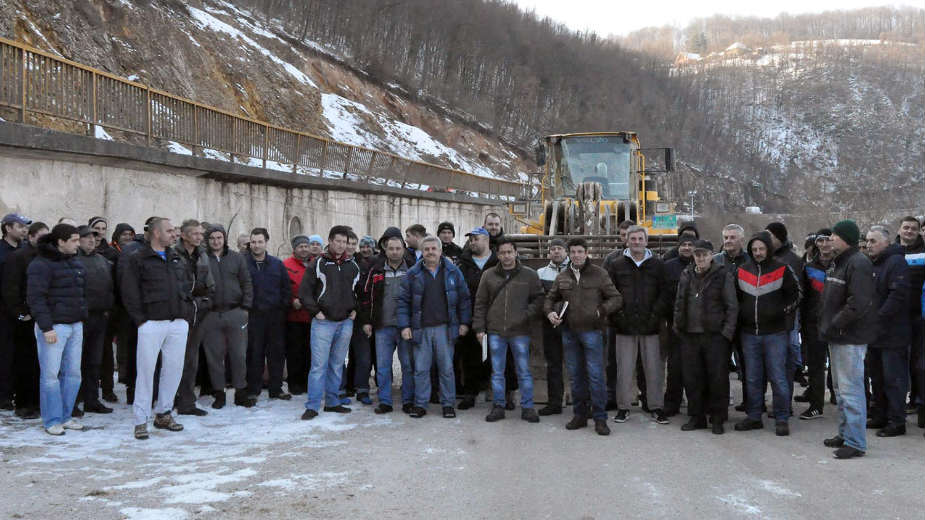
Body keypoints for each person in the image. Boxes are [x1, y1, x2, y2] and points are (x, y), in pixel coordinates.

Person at [121, 217, 191, 440]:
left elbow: (186, 285)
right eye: (169, 231)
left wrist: (186, 313)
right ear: (156, 233)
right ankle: (140, 420)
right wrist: (141, 319)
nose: (174, 234)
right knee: (145, 371)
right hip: (151, 322)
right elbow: (129, 291)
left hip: (177, 321)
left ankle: (164, 413)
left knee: (174, 369)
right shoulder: (138, 258)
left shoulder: (176, 257)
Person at [545, 238, 621, 435]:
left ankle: (600, 419)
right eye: (573, 252)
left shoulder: (599, 274)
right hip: (569, 333)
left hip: (593, 332)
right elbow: (550, 299)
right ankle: (580, 415)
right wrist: (550, 313)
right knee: (575, 376)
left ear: (587, 253)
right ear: (568, 254)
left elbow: (616, 298)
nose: (576, 255)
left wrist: (601, 311)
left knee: (596, 376)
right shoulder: (562, 276)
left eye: (580, 251)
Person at [734, 231, 801, 436]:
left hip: (775, 333)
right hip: (749, 333)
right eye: (754, 249)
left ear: (768, 249)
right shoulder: (742, 270)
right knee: (752, 378)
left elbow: (797, 294)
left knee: (778, 377)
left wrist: (782, 311)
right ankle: (754, 416)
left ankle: (781, 417)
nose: (758, 253)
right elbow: (735, 298)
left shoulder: (782, 269)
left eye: (761, 249)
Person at [397, 235, 471, 419]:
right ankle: (420, 404)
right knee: (421, 369)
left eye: (433, 249)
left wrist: (464, 323)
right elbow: (403, 302)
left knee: (446, 369)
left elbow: (464, 299)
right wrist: (404, 326)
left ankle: (448, 404)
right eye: (426, 249)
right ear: (421, 252)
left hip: (445, 329)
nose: (430, 252)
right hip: (421, 328)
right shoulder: (413, 274)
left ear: (440, 251)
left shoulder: (453, 272)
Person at [472, 237, 544, 423]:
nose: (506, 256)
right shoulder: (488, 275)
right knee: (497, 372)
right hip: (495, 331)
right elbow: (480, 303)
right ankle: (498, 406)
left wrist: (525, 315)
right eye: (502, 253)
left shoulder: (529, 275)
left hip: (520, 331)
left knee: (523, 371)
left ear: (516, 253)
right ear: (497, 255)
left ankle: (527, 407)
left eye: (509, 252)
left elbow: (539, 299)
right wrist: (479, 328)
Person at [820, 220, 876, 459]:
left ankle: (856, 442)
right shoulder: (840, 262)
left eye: (835, 235)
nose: (830, 239)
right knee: (840, 390)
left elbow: (858, 303)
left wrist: (836, 324)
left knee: (851, 390)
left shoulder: (858, 263)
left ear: (846, 239)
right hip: (837, 335)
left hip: (849, 336)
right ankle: (845, 433)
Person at [26, 224, 87, 436]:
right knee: (51, 376)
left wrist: (82, 316)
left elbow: (80, 293)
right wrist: (46, 327)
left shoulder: (74, 261)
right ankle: (52, 420)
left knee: (73, 374)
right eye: (74, 240)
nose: (78, 244)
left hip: (75, 324)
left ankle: (65, 416)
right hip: (54, 327)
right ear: (61, 242)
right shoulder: (40, 264)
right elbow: (36, 298)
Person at [606, 225, 670, 425]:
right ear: (627, 241)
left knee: (654, 369)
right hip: (624, 326)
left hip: (651, 326)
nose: (636, 242)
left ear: (646, 241)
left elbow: (665, 293)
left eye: (640, 239)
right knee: (624, 370)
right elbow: (610, 293)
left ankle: (656, 407)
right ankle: (623, 408)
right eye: (632, 239)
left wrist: (655, 316)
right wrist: (619, 317)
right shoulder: (616, 265)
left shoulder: (658, 265)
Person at [672, 240, 737, 434]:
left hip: (715, 336)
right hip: (689, 335)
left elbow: (732, 306)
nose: (700, 258)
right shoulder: (686, 274)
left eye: (704, 254)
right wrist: (678, 326)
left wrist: (726, 333)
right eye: (697, 254)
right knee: (692, 379)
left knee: (717, 379)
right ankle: (696, 417)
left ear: (711, 255)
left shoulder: (723, 275)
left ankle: (717, 418)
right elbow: (679, 301)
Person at [300, 225, 361, 420]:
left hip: (345, 322)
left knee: (337, 364)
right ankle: (313, 405)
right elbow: (304, 292)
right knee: (319, 366)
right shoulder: (318, 264)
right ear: (330, 241)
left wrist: (355, 309)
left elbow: (359, 292)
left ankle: (333, 402)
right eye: (338, 241)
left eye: (345, 242)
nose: (342, 245)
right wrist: (315, 312)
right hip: (323, 323)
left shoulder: (353, 265)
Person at [360, 229, 414, 414]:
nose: (395, 252)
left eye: (398, 248)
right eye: (391, 249)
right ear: (385, 249)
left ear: (404, 249)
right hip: (382, 326)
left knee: (407, 365)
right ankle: (385, 401)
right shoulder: (376, 270)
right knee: (383, 367)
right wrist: (367, 321)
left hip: (405, 327)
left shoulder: (412, 269)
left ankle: (408, 400)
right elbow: (366, 297)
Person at [201, 224, 254, 408]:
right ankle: (219, 393)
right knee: (214, 356)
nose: (216, 241)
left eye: (219, 238)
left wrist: (245, 307)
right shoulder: (202, 259)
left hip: (235, 312)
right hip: (211, 314)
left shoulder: (236, 258)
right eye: (212, 238)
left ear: (224, 239)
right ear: (207, 240)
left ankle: (241, 392)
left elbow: (246, 282)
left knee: (238, 355)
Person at [864, 225, 910, 438]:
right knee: (877, 378)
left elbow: (897, 295)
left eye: (873, 241)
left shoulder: (896, 262)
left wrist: (878, 317)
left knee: (894, 379)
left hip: (893, 333)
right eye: (867, 241)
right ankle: (881, 415)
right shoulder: (874, 264)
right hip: (875, 333)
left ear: (886, 242)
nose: (868, 245)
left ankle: (897, 421)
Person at [2, 222, 48, 419]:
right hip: (24, 319)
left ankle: (37, 402)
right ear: (31, 237)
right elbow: (10, 290)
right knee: (24, 362)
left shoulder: (47, 257)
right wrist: (21, 314)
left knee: (40, 363)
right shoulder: (18, 257)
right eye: (41, 237)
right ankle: (23, 404)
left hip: (42, 317)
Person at [173, 220, 215, 416]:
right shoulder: (173, 255)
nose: (199, 237)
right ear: (184, 235)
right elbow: (173, 286)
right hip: (177, 313)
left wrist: (205, 301)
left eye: (200, 234)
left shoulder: (203, 255)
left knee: (191, 360)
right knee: (172, 360)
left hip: (198, 313)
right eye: (195, 233)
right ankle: (168, 399)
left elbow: (209, 285)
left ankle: (187, 402)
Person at [245, 228, 292, 401]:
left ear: (266, 242)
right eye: (253, 242)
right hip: (253, 316)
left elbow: (286, 288)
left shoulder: (277, 264)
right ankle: (253, 389)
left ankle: (276, 389)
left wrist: (282, 308)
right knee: (254, 354)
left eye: (260, 242)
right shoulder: (243, 263)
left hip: (275, 317)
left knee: (276, 354)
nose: (256, 245)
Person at [455, 227, 498, 410]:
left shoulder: (498, 262)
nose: (472, 242)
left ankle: (500, 394)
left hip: (495, 318)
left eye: (475, 239)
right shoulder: (463, 264)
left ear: (486, 240)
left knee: (497, 357)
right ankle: (470, 393)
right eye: (470, 239)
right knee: (470, 357)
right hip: (470, 317)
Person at [74, 226, 115, 416]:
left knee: (94, 361)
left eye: (94, 237)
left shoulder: (102, 261)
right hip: (80, 318)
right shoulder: (72, 260)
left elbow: (110, 287)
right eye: (87, 237)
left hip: (100, 317)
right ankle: (73, 401)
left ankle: (92, 400)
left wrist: (108, 308)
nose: (92, 240)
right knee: (75, 362)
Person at [797, 230, 835, 420]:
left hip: (839, 322)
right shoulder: (809, 267)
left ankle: (838, 397)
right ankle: (816, 404)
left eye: (828, 240)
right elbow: (803, 297)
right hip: (814, 323)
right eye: (821, 240)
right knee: (816, 365)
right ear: (816, 243)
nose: (825, 244)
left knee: (839, 365)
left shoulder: (842, 264)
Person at [765, 222, 805, 396]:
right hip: (768, 316)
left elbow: (797, 292)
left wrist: (781, 309)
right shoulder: (766, 256)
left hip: (786, 317)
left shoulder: (792, 260)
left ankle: (784, 401)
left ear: (779, 238)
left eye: (770, 236)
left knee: (785, 361)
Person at [714, 224, 749, 409]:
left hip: (746, 321)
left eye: (732, 237)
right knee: (720, 365)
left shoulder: (751, 260)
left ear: (742, 240)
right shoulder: (715, 261)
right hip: (722, 321)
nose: (728, 241)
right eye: (726, 237)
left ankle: (751, 402)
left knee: (748, 365)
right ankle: (721, 402)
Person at [662, 233, 696, 416]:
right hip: (675, 324)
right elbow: (663, 293)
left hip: (697, 325)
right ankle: (672, 403)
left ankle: (695, 405)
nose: (687, 248)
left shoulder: (701, 265)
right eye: (684, 244)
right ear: (678, 246)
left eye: (690, 244)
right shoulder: (668, 267)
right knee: (674, 367)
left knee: (694, 368)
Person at [896, 216, 925, 426]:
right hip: (897, 316)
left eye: (913, 228)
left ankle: (917, 400)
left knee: (918, 362)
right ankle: (898, 403)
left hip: (919, 315)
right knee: (899, 361)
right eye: (906, 228)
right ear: (899, 230)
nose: (909, 231)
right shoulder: (892, 252)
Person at [0, 213, 30, 410]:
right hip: (3, 311)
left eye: (25, 227)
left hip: (22, 310)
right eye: (20, 226)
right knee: (5, 353)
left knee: (20, 354)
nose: (24, 230)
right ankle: (3, 396)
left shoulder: (24, 250)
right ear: (8, 228)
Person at [537, 238, 569, 415]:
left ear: (566, 251)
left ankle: (583, 404)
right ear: (549, 253)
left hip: (572, 325)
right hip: (550, 325)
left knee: (577, 365)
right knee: (553, 365)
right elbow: (539, 298)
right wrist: (549, 314)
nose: (556, 251)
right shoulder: (540, 273)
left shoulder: (575, 270)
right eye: (553, 249)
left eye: (560, 248)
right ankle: (554, 403)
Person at [341, 231, 373, 404]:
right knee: (339, 356)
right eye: (348, 243)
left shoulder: (364, 264)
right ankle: (340, 388)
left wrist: (359, 311)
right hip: (339, 316)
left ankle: (362, 389)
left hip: (359, 317)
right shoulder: (334, 263)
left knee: (363, 356)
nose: (351, 247)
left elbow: (365, 293)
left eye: (354, 244)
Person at [284, 235, 312, 396]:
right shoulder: (286, 265)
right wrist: (291, 300)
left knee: (309, 351)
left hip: (312, 317)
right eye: (300, 246)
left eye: (306, 246)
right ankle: (294, 383)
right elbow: (282, 287)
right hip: (293, 317)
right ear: (294, 249)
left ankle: (307, 382)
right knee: (294, 351)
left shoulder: (315, 264)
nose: (304, 249)